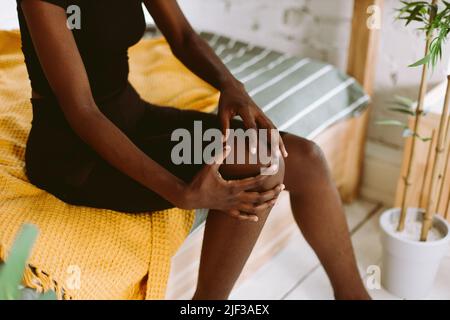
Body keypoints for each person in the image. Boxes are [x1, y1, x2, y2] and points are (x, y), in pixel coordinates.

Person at [17, 0, 370, 299]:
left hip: (133, 117)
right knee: (262, 162)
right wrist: (182, 193)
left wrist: (231, 86)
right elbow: (83, 111)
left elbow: (183, 37)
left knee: (306, 159)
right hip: (75, 153)